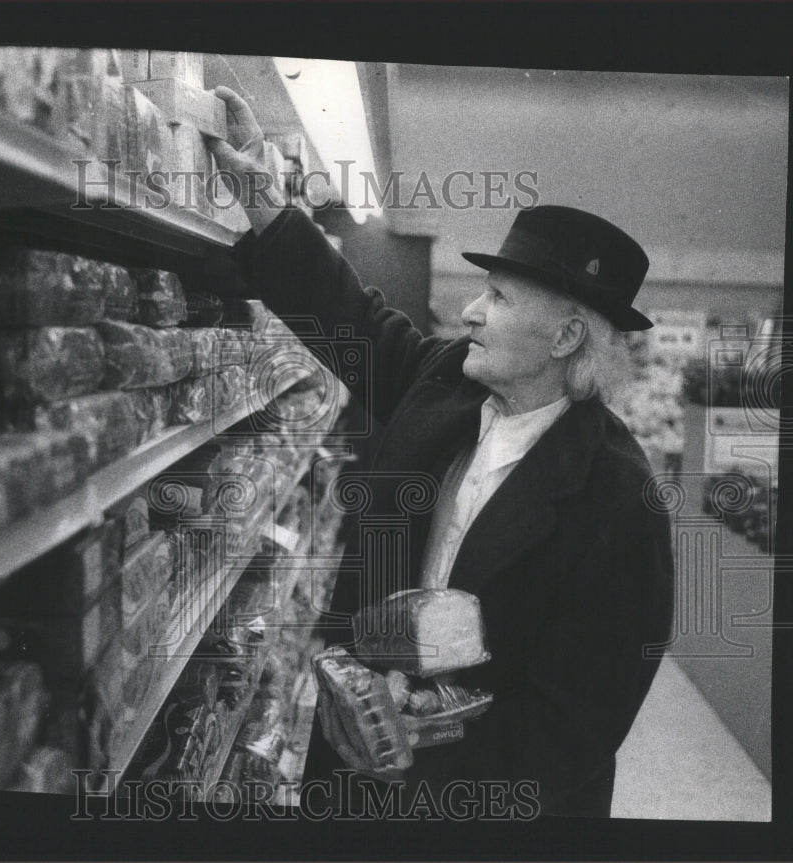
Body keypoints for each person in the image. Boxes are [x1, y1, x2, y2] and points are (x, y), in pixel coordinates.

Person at [208, 86, 675, 818]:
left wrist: (419, 771)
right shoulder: (445, 384)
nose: (470, 311)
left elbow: (573, 726)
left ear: (565, 338)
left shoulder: (620, 499)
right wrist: (267, 206)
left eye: (498, 297)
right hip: (355, 770)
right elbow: (352, 322)